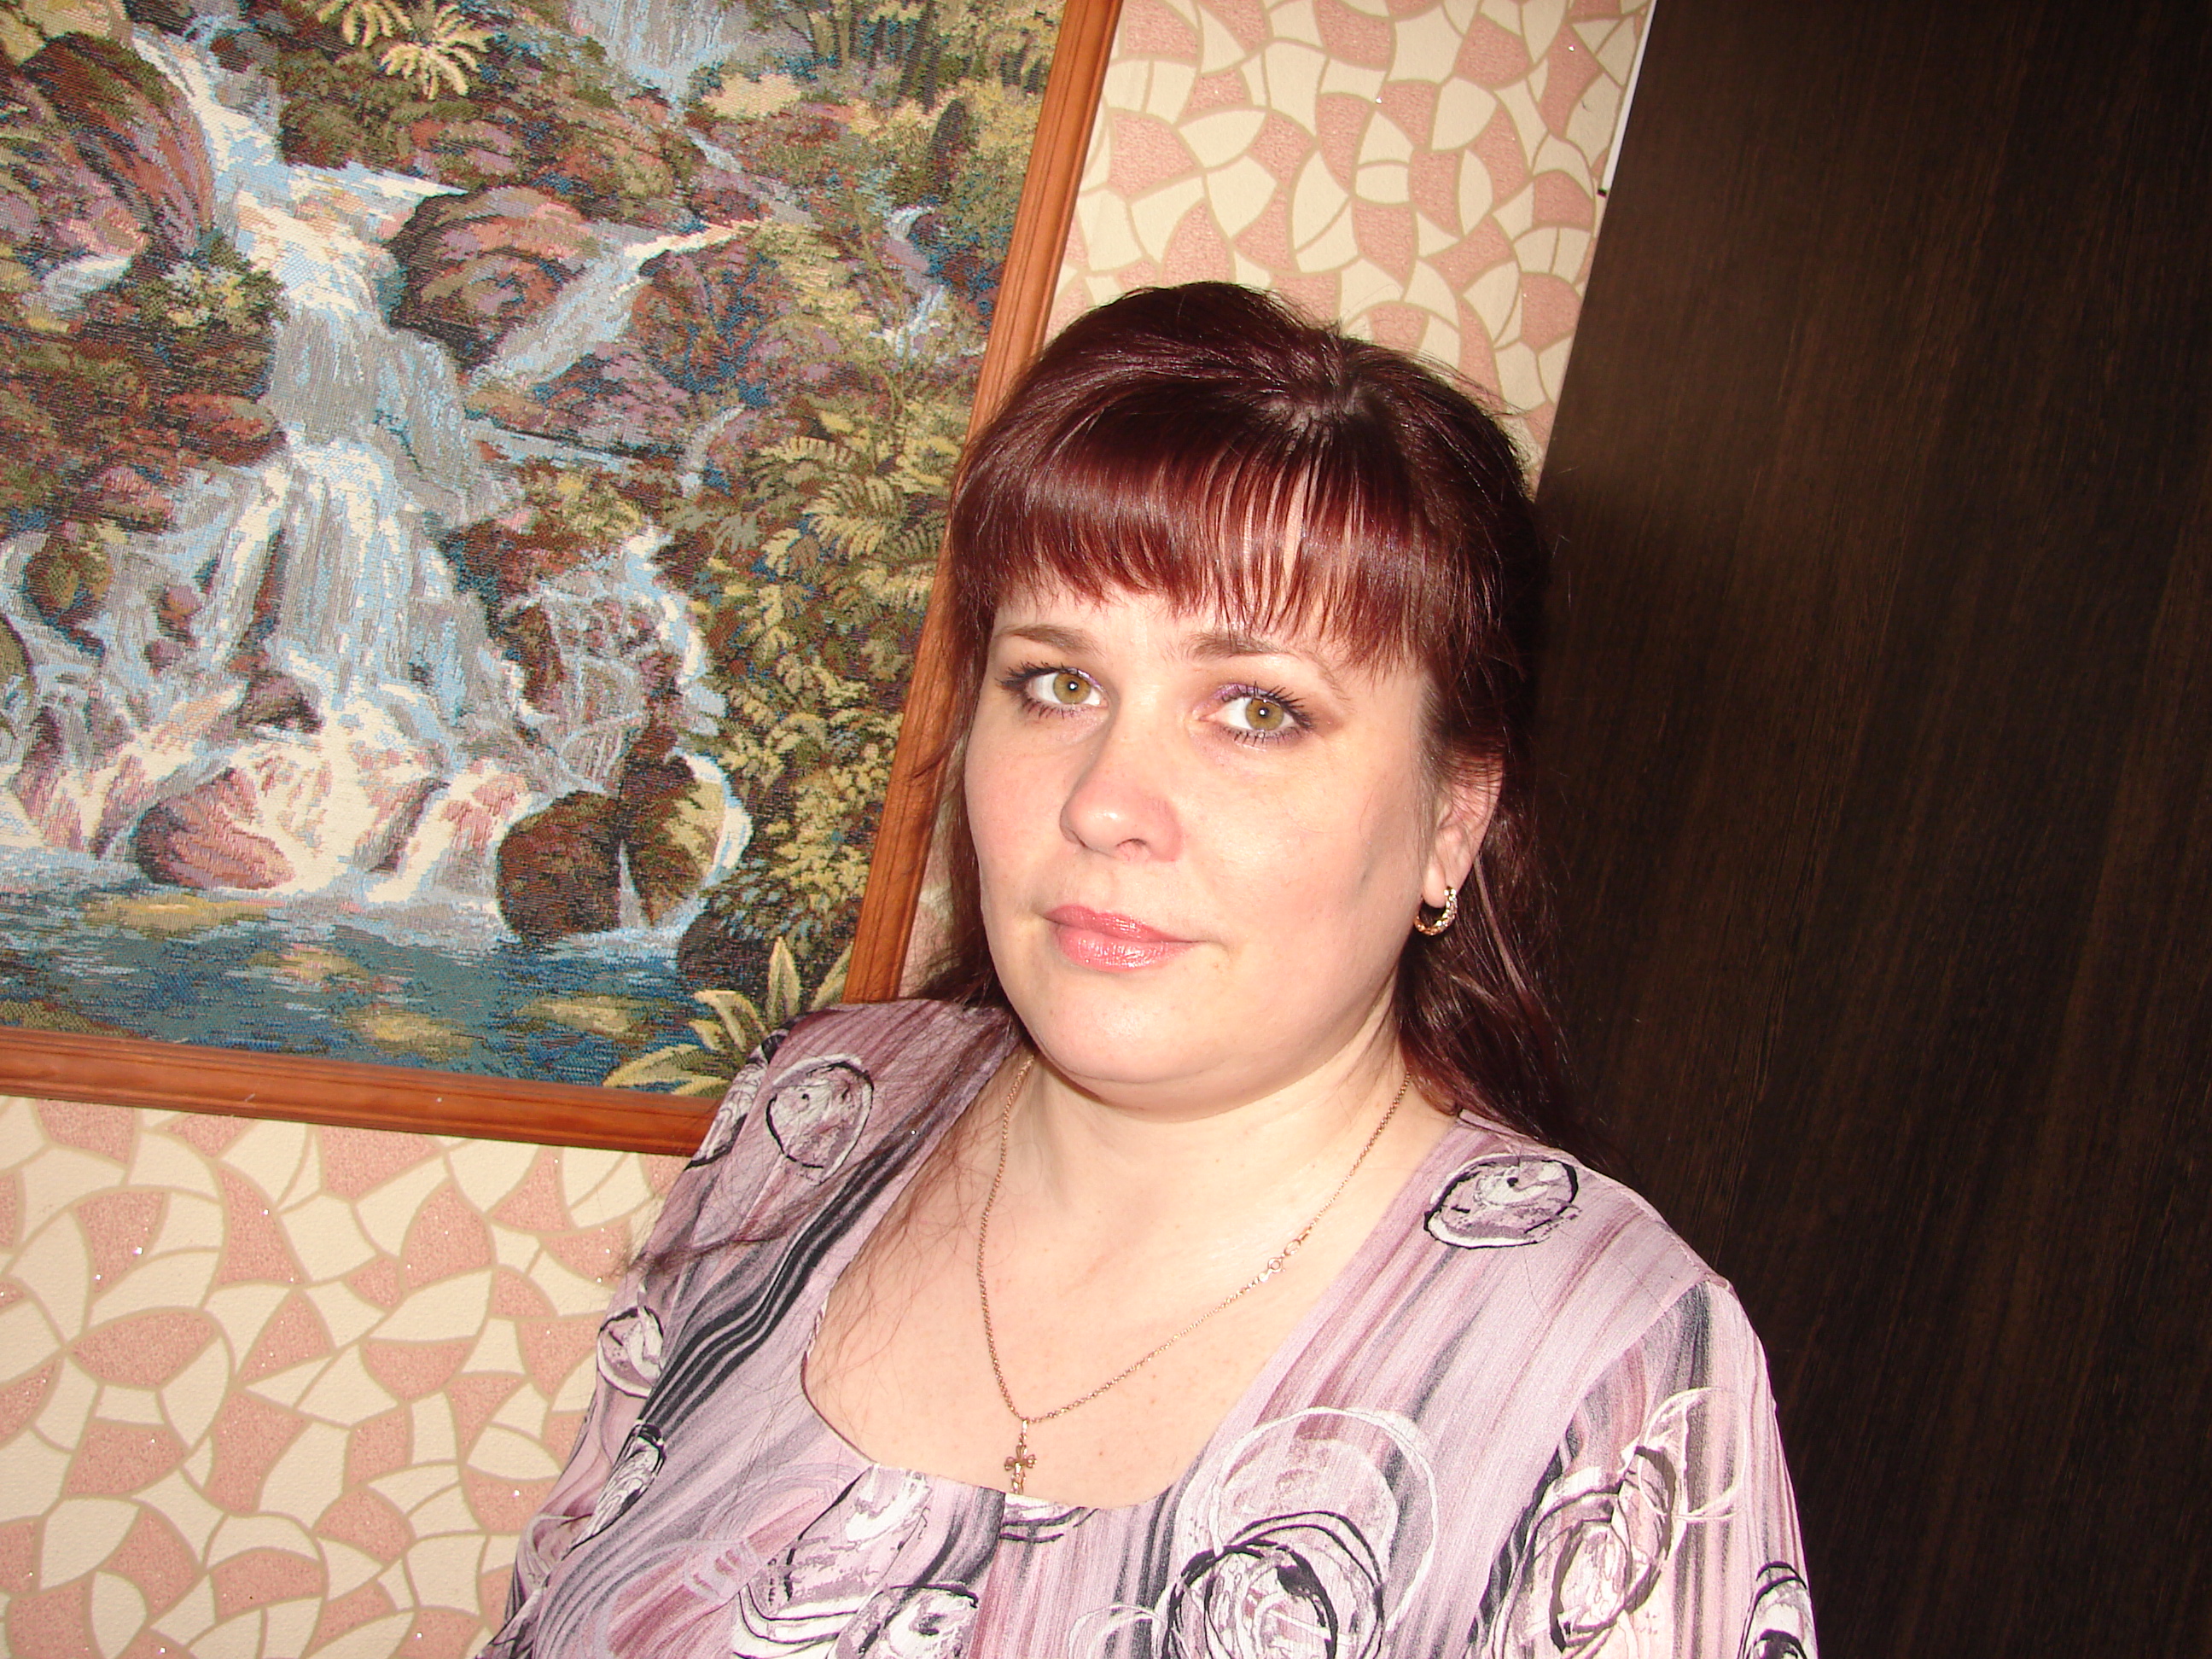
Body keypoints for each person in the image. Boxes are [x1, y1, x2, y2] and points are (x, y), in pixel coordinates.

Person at [482, 283, 1817, 1658]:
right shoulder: (812, 1112)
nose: (1106, 801)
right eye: (1058, 682)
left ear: (1452, 820)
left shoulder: (1606, 1370)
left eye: (1258, 710)